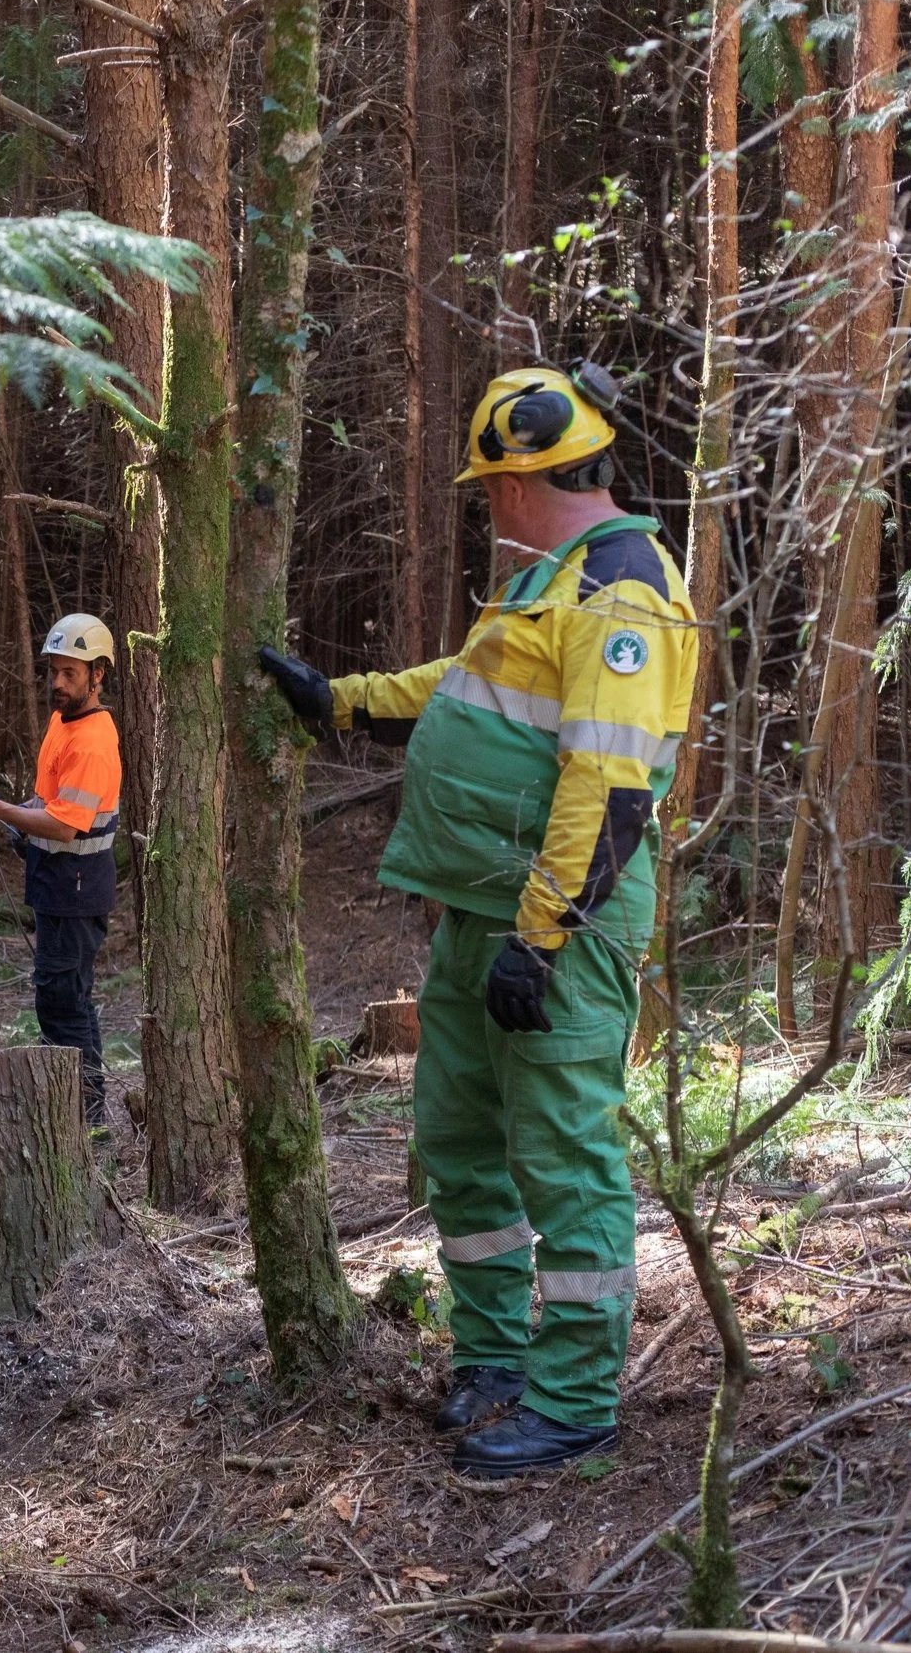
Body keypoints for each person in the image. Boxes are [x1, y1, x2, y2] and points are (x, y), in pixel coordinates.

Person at [258, 361, 696, 1479]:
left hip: (561, 927)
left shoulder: (623, 593)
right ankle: (495, 1355)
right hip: (478, 915)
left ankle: (576, 1398)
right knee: (459, 1145)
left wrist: (542, 936)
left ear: (513, 480)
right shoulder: (552, 579)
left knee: (563, 1156)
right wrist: (344, 700)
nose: (485, 505)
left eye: (485, 487)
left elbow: (610, 789)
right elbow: (468, 683)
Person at [0, 612, 122, 1128]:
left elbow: (67, 827)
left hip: (75, 893)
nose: (57, 683)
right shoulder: (63, 722)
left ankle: (80, 1122)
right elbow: (50, 801)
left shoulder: (93, 741)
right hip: (60, 888)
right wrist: (21, 823)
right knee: (72, 1000)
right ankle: (89, 1119)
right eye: (53, 671)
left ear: (97, 674)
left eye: (69, 673)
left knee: (60, 1006)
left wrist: (0, 810)